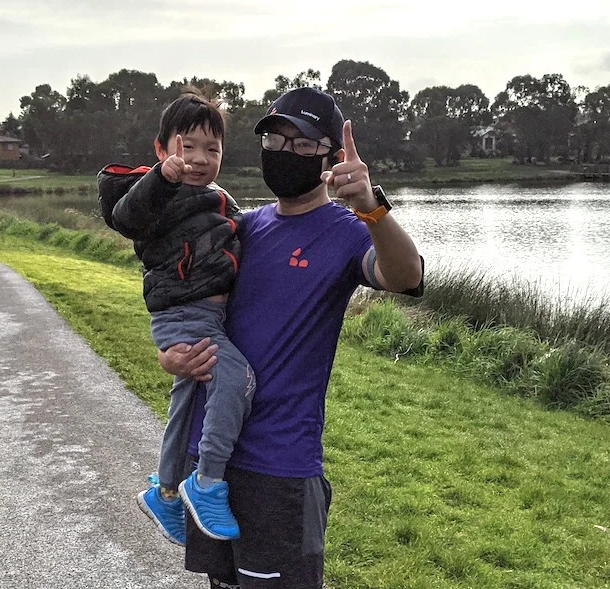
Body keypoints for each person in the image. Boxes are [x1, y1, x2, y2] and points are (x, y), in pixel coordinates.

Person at [158, 87, 424, 589]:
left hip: (279, 467)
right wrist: (171, 356)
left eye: (303, 146)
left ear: (331, 156)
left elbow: (406, 275)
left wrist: (373, 207)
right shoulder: (240, 227)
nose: (285, 153)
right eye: (276, 140)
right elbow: (193, 308)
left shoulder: (346, 231)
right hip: (207, 463)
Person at [97, 91, 254, 546]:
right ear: (162, 149)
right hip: (186, 315)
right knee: (238, 379)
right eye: (187, 147)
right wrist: (162, 179)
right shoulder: (155, 197)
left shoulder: (216, 198)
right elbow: (125, 217)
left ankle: (166, 492)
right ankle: (205, 483)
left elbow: (242, 228)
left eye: (213, 149)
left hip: (205, 316)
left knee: (185, 404)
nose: (200, 159)